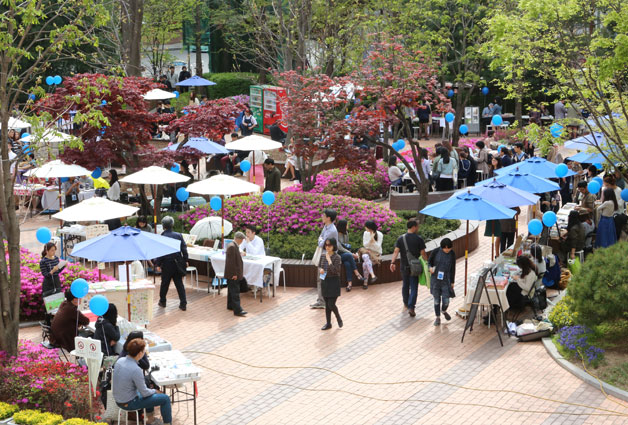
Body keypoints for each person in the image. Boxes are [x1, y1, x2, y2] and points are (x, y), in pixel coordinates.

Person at [113, 339, 172, 425]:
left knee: (149, 390)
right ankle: (167, 423)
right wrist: (155, 391)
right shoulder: (136, 369)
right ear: (140, 353)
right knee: (165, 399)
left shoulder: (120, 360)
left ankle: (151, 419)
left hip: (119, 399)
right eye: (144, 351)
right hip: (129, 402)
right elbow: (144, 393)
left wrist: (151, 391)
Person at [390, 220, 427, 318]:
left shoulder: (401, 238)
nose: (418, 228)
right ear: (414, 227)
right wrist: (427, 262)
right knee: (414, 286)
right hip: (415, 267)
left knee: (405, 285)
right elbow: (423, 253)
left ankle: (406, 303)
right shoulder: (419, 239)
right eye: (417, 226)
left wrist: (392, 262)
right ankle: (411, 307)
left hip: (404, 266)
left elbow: (395, 251)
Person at [155, 216, 188, 311]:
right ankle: (183, 303)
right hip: (177, 263)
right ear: (172, 225)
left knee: (165, 283)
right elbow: (184, 248)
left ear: (163, 226)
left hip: (167, 264)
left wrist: (158, 264)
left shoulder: (162, 237)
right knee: (179, 284)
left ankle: (163, 301)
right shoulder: (178, 235)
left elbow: (160, 252)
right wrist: (185, 260)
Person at [310, 209, 338, 309]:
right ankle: (322, 300)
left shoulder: (331, 230)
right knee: (321, 279)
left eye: (324, 215)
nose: (322, 216)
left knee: (322, 279)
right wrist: (321, 240)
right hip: (324, 257)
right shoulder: (326, 227)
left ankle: (323, 301)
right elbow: (320, 238)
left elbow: (321, 242)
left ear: (328, 218)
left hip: (327, 258)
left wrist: (321, 240)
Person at [428, 238, 456, 326]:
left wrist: (452, 281)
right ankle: (437, 317)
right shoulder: (435, 252)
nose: (447, 250)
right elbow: (429, 262)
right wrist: (430, 268)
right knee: (436, 300)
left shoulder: (452, 254)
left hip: (446, 279)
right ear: (442, 247)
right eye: (445, 248)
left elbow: (453, 268)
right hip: (435, 279)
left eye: (449, 248)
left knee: (446, 300)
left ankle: (443, 310)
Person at [319, 238, 343, 330]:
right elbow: (320, 267)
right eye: (326, 245)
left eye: (329, 245)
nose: (327, 247)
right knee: (327, 305)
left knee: (331, 304)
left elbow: (336, 271)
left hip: (334, 282)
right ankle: (328, 323)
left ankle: (338, 317)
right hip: (325, 281)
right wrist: (321, 270)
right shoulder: (322, 256)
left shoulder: (337, 257)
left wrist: (329, 261)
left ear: (333, 246)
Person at [336, 220, 363, 291]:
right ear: (343, 226)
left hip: (345, 253)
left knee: (348, 264)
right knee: (349, 256)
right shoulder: (335, 234)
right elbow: (339, 248)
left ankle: (349, 284)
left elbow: (346, 245)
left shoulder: (346, 233)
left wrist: (350, 253)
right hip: (338, 254)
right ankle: (357, 273)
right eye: (346, 225)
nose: (348, 226)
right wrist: (351, 254)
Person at [225, 232, 247, 316]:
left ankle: (230, 305)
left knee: (231, 290)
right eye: (241, 240)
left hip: (232, 273)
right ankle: (238, 310)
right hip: (233, 274)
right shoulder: (232, 247)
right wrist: (234, 274)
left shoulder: (232, 246)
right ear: (238, 239)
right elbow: (231, 263)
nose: (242, 242)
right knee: (235, 292)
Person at [359, 221, 383, 289]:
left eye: (366, 227)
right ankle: (372, 275)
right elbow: (365, 245)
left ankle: (365, 282)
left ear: (370, 228)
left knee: (364, 264)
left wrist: (373, 240)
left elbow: (378, 247)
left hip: (376, 254)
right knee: (364, 256)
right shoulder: (365, 233)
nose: (365, 228)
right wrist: (370, 241)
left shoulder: (380, 234)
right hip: (367, 252)